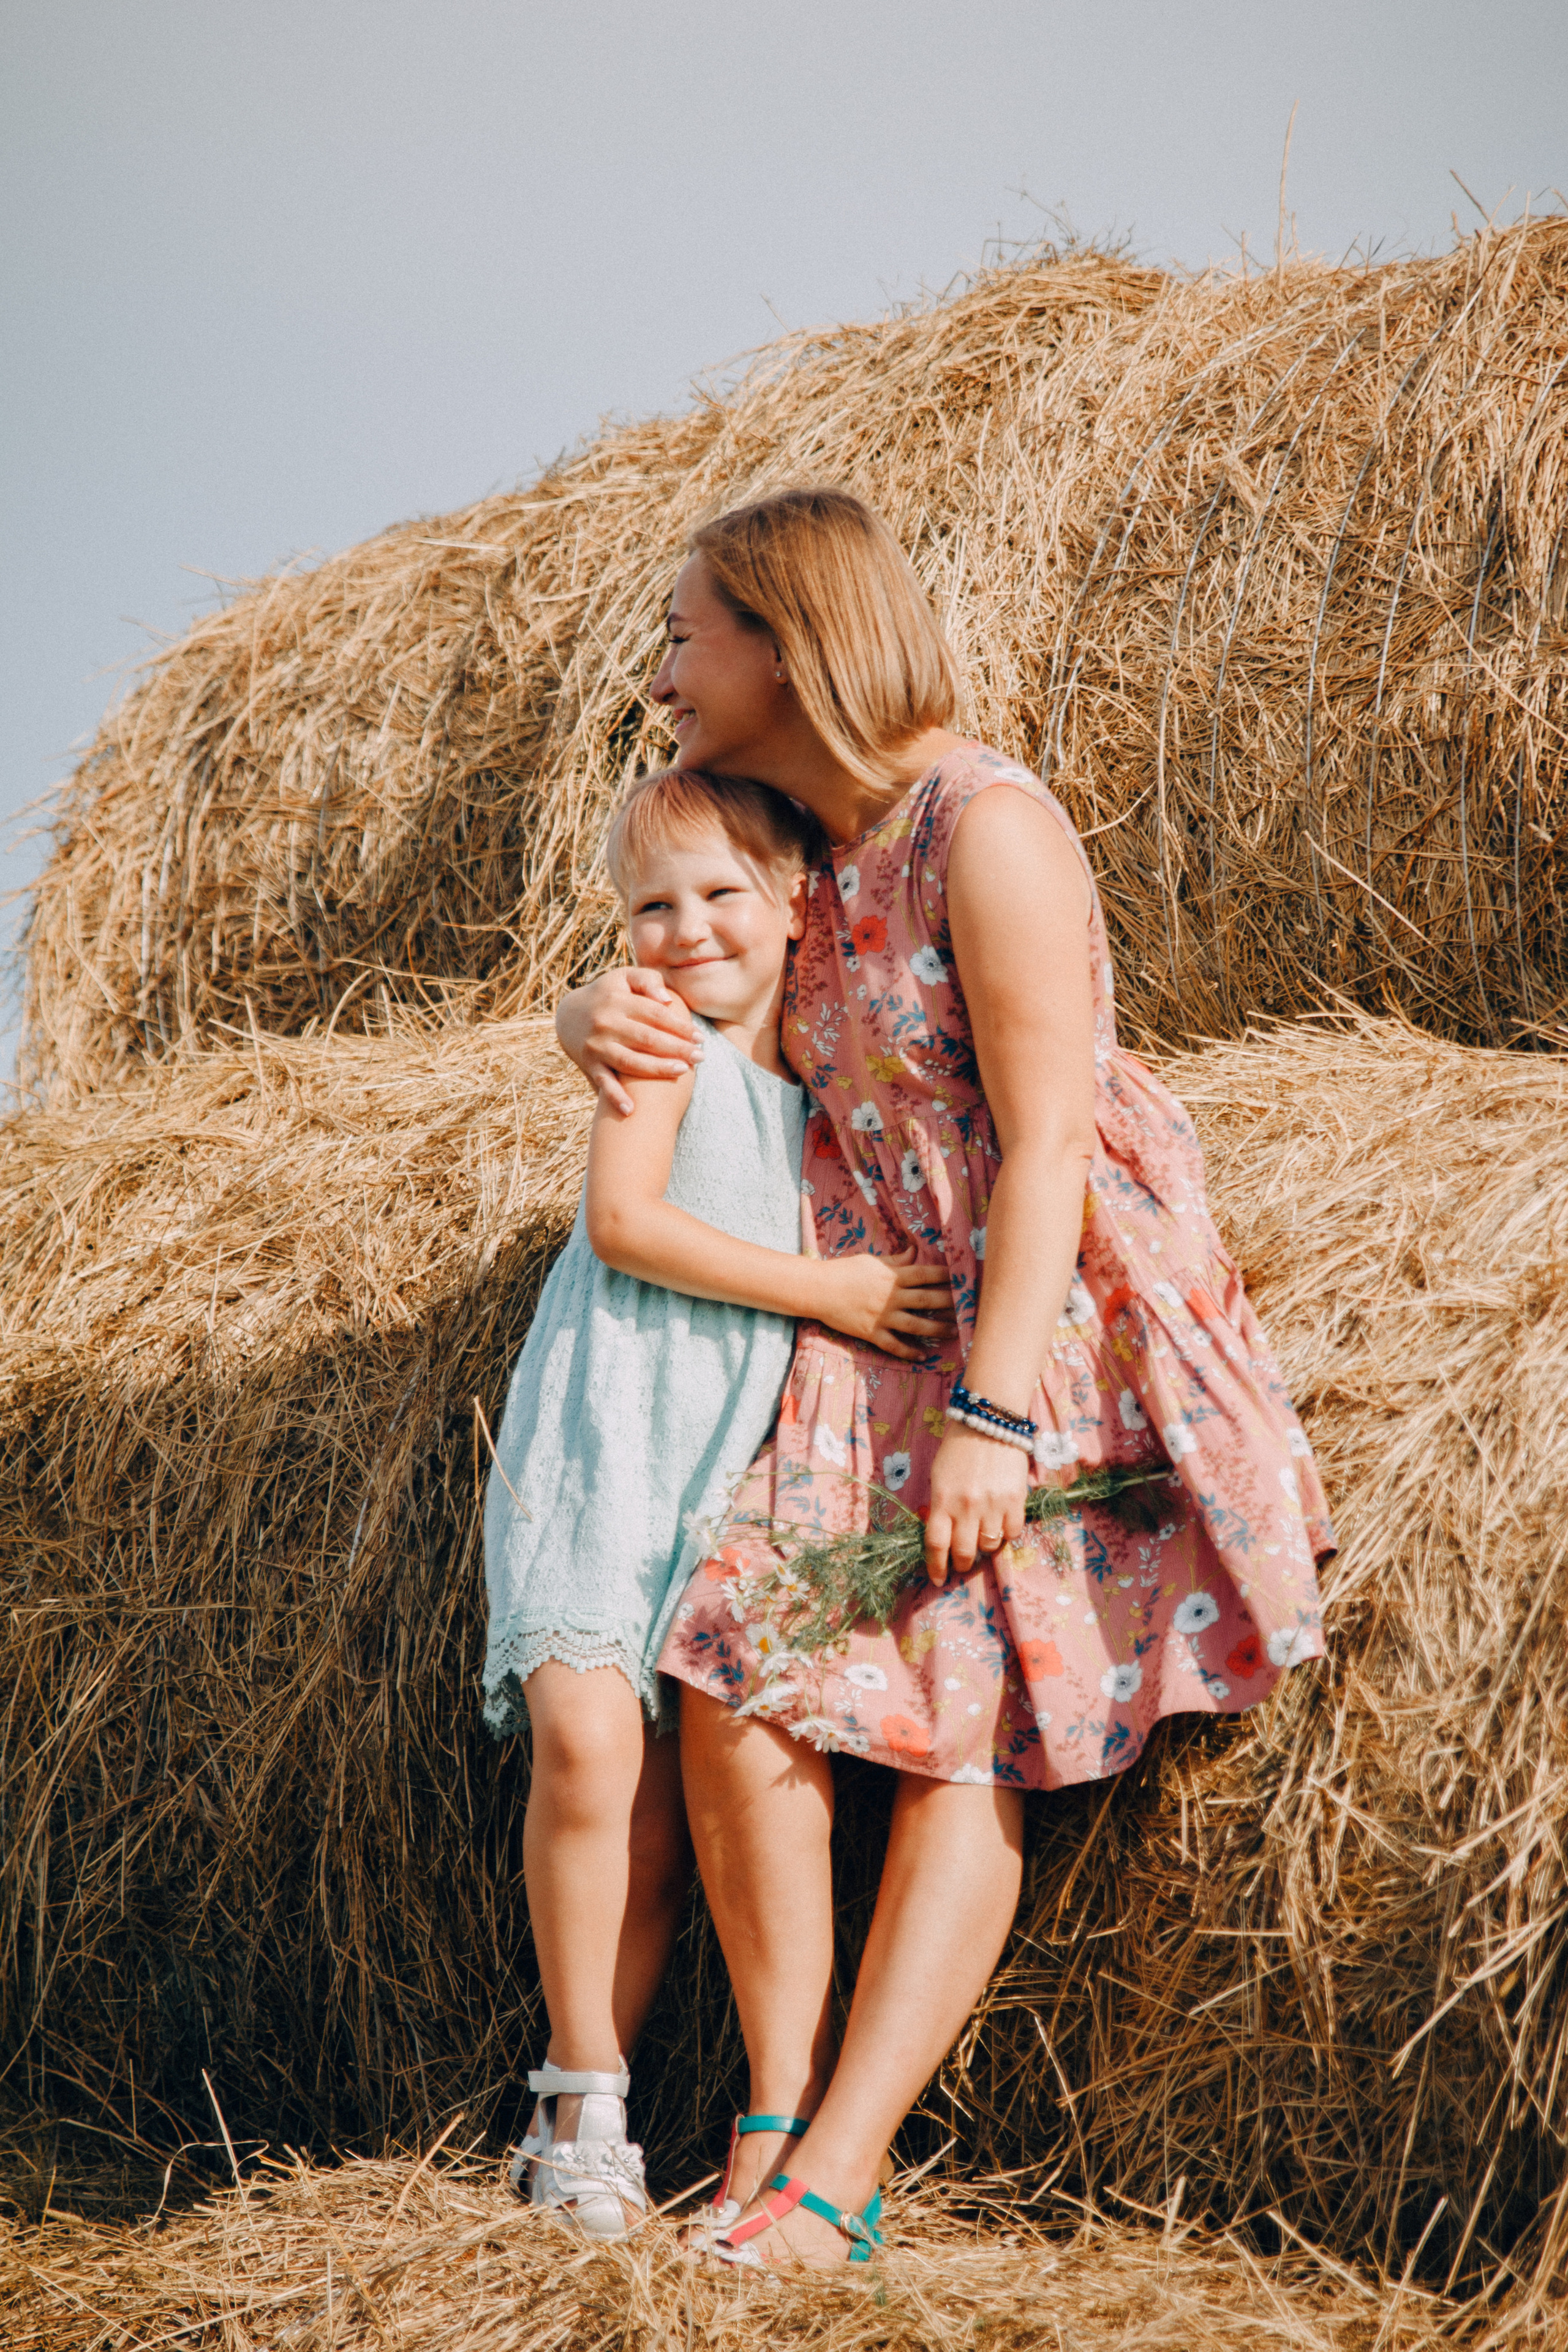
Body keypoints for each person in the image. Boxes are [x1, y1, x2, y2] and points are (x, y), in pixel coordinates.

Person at [556, 486, 1334, 2267]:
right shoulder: (800, 846)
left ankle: (840, 2169)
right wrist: (578, 1017)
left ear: (783, 637)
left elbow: (1052, 1143)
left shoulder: (987, 825)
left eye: (688, 636)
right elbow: (689, 957)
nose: (663, 672)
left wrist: (994, 1416)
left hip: (1043, 1325)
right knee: (736, 1669)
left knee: (968, 1721)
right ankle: (769, 2113)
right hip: (884, 1314)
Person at [481, 764, 954, 2239]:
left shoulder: (824, 1075)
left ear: (797, 899)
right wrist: (831, 1290)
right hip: (607, 1438)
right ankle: (581, 2095)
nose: (683, 930)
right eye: (647, 907)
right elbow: (624, 1223)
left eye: (718, 896)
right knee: (583, 1753)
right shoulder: (654, 1042)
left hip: (725, 1468)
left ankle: (601, 2088)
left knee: (656, 1819)